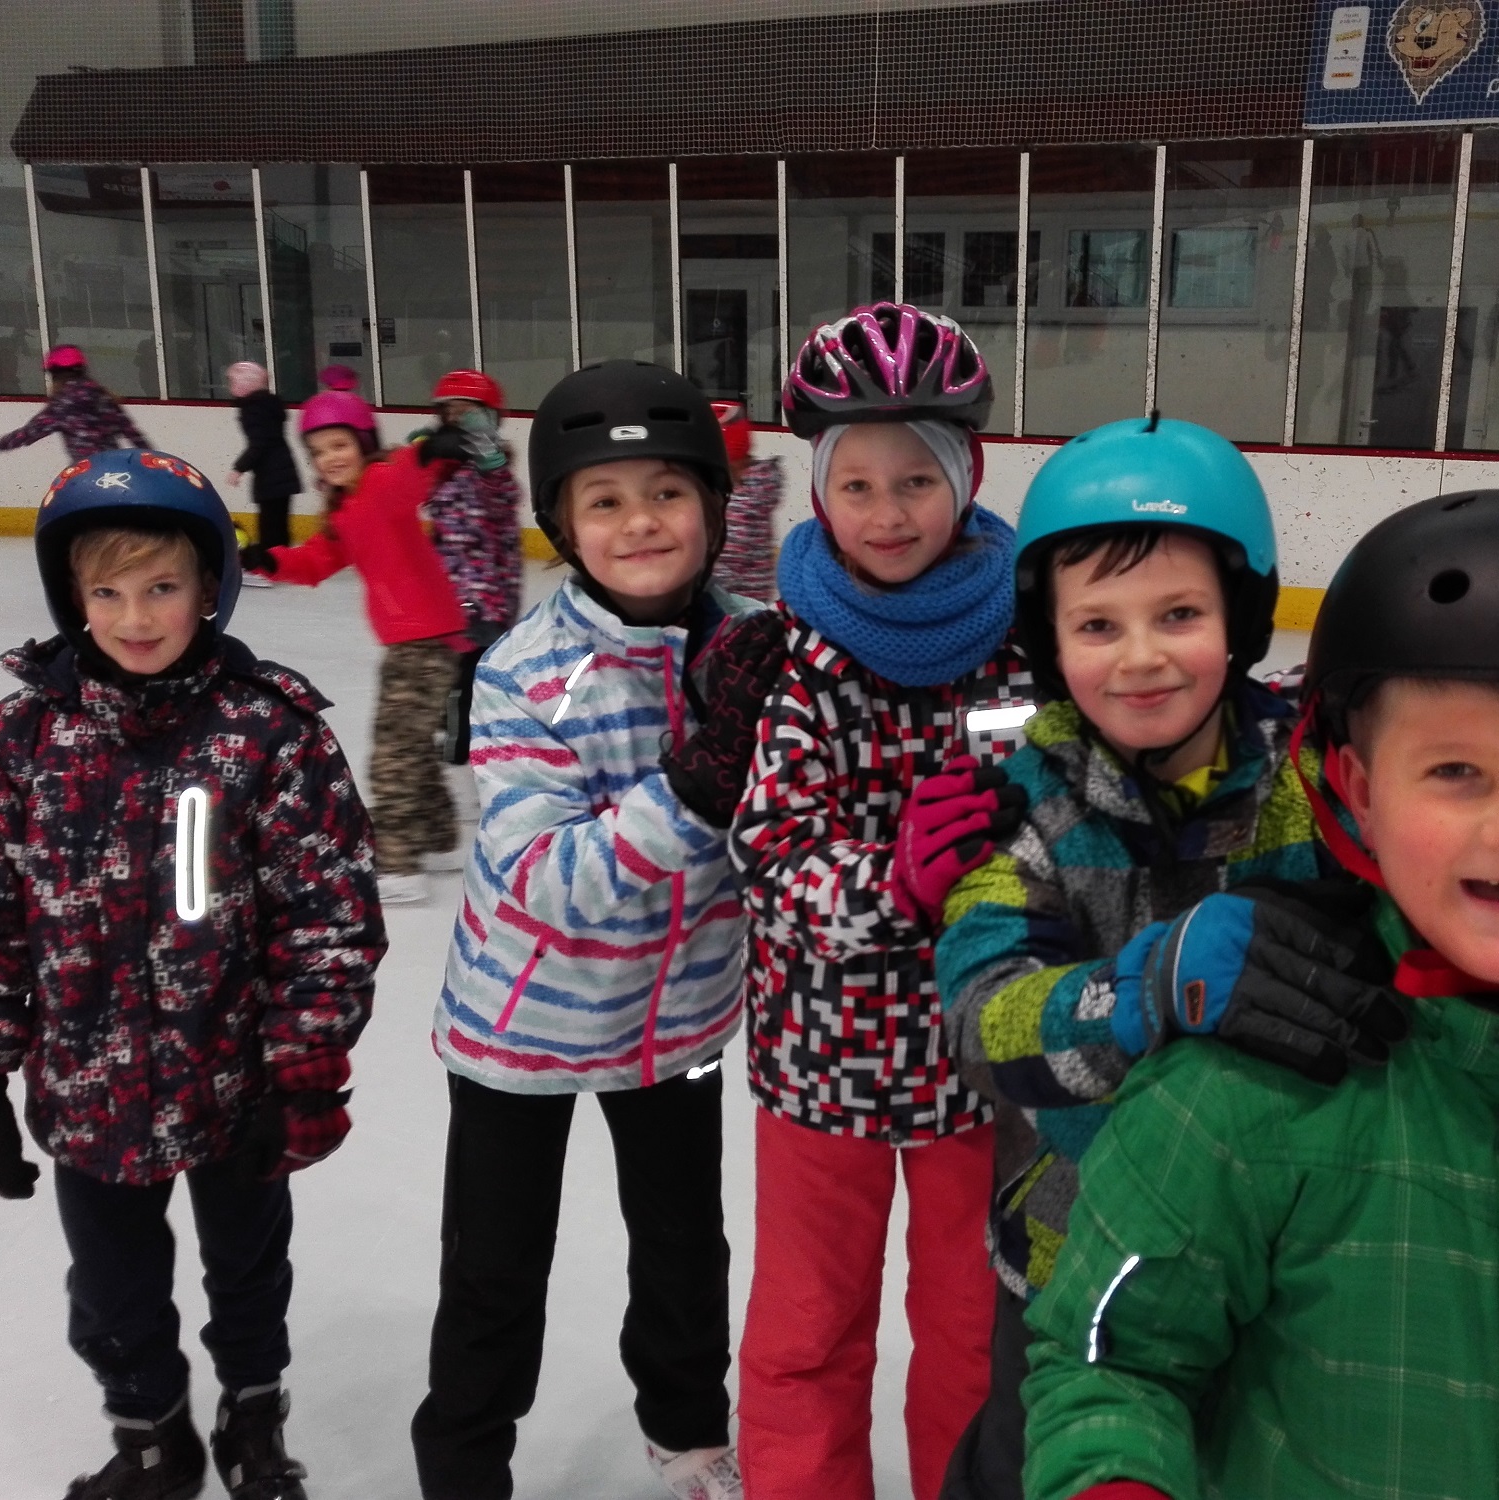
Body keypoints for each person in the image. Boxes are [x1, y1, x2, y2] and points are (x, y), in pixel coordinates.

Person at [932, 432, 1499, 1499]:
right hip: (1081, 1255)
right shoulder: (1014, 809)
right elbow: (982, 1020)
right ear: (1048, 639)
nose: (1141, 658)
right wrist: (1148, 990)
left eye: (1178, 616)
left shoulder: (1311, 772)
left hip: (1309, 1240)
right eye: (1097, 625)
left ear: (1240, 619)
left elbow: (1471, 880)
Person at [0, 448, 383, 1500]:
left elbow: (327, 911)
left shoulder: (269, 730)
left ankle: (252, 1421)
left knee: (248, 1273)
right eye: (108, 592)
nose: (135, 616)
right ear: (71, 598)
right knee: (112, 1288)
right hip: (87, 1087)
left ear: (209, 587)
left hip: (236, 1079)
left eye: (161, 586)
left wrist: (305, 1066)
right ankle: (151, 1440)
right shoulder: (26, 735)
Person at [412, 361, 770, 1500]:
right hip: (523, 1030)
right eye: (605, 500)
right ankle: (465, 1466)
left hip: (679, 1023)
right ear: (563, 526)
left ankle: (687, 1432)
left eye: (666, 492)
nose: (640, 521)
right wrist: (694, 788)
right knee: (496, 1267)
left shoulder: (753, 647)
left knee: (685, 1248)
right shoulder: (523, 673)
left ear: (713, 507)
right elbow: (543, 877)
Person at [730, 303, 1034, 1500]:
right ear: (819, 491)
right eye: (855, 484)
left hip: (977, 1051)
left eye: (915, 480)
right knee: (808, 1326)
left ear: (965, 479)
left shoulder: (1018, 645)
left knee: (969, 1326)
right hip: (824, 1059)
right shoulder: (794, 658)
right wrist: (889, 882)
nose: (886, 512)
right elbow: (769, 855)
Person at [237, 365, 470, 907]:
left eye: (340, 445)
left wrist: (433, 450)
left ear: (363, 443)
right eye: (318, 451)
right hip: (415, 639)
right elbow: (317, 561)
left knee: (393, 755)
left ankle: (399, 865)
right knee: (410, 744)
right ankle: (439, 839)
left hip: (425, 639)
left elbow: (410, 472)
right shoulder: (347, 511)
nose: (329, 458)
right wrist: (268, 559)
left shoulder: (383, 482)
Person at [415, 368, 524, 806]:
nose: (458, 420)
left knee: (473, 676)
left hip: (485, 596)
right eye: (451, 413)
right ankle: (460, 738)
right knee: (450, 674)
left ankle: (470, 749)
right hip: (448, 594)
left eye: (469, 413)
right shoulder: (443, 473)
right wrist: (416, 455)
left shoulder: (493, 473)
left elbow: (502, 493)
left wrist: (484, 450)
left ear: (491, 419)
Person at [0, 344, 149, 463]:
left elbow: (29, 433)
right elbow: (131, 432)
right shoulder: (103, 396)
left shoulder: (62, 405)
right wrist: (152, 458)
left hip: (86, 473)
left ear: (55, 374)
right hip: (116, 468)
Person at [223, 361, 301, 587]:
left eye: (233, 382)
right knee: (278, 523)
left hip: (271, 473)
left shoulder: (253, 408)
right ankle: (283, 565)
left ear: (244, 384)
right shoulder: (268, 404)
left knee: (270, 525)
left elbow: (259, 443)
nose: (230, 386)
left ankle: (268, 568)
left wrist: (239, 468)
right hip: (283, 469)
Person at [708, 399, 784, 602]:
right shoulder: (749, 488)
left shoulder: (743, 504)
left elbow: (729, 561)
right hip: (747, 596)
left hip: (737, 602)